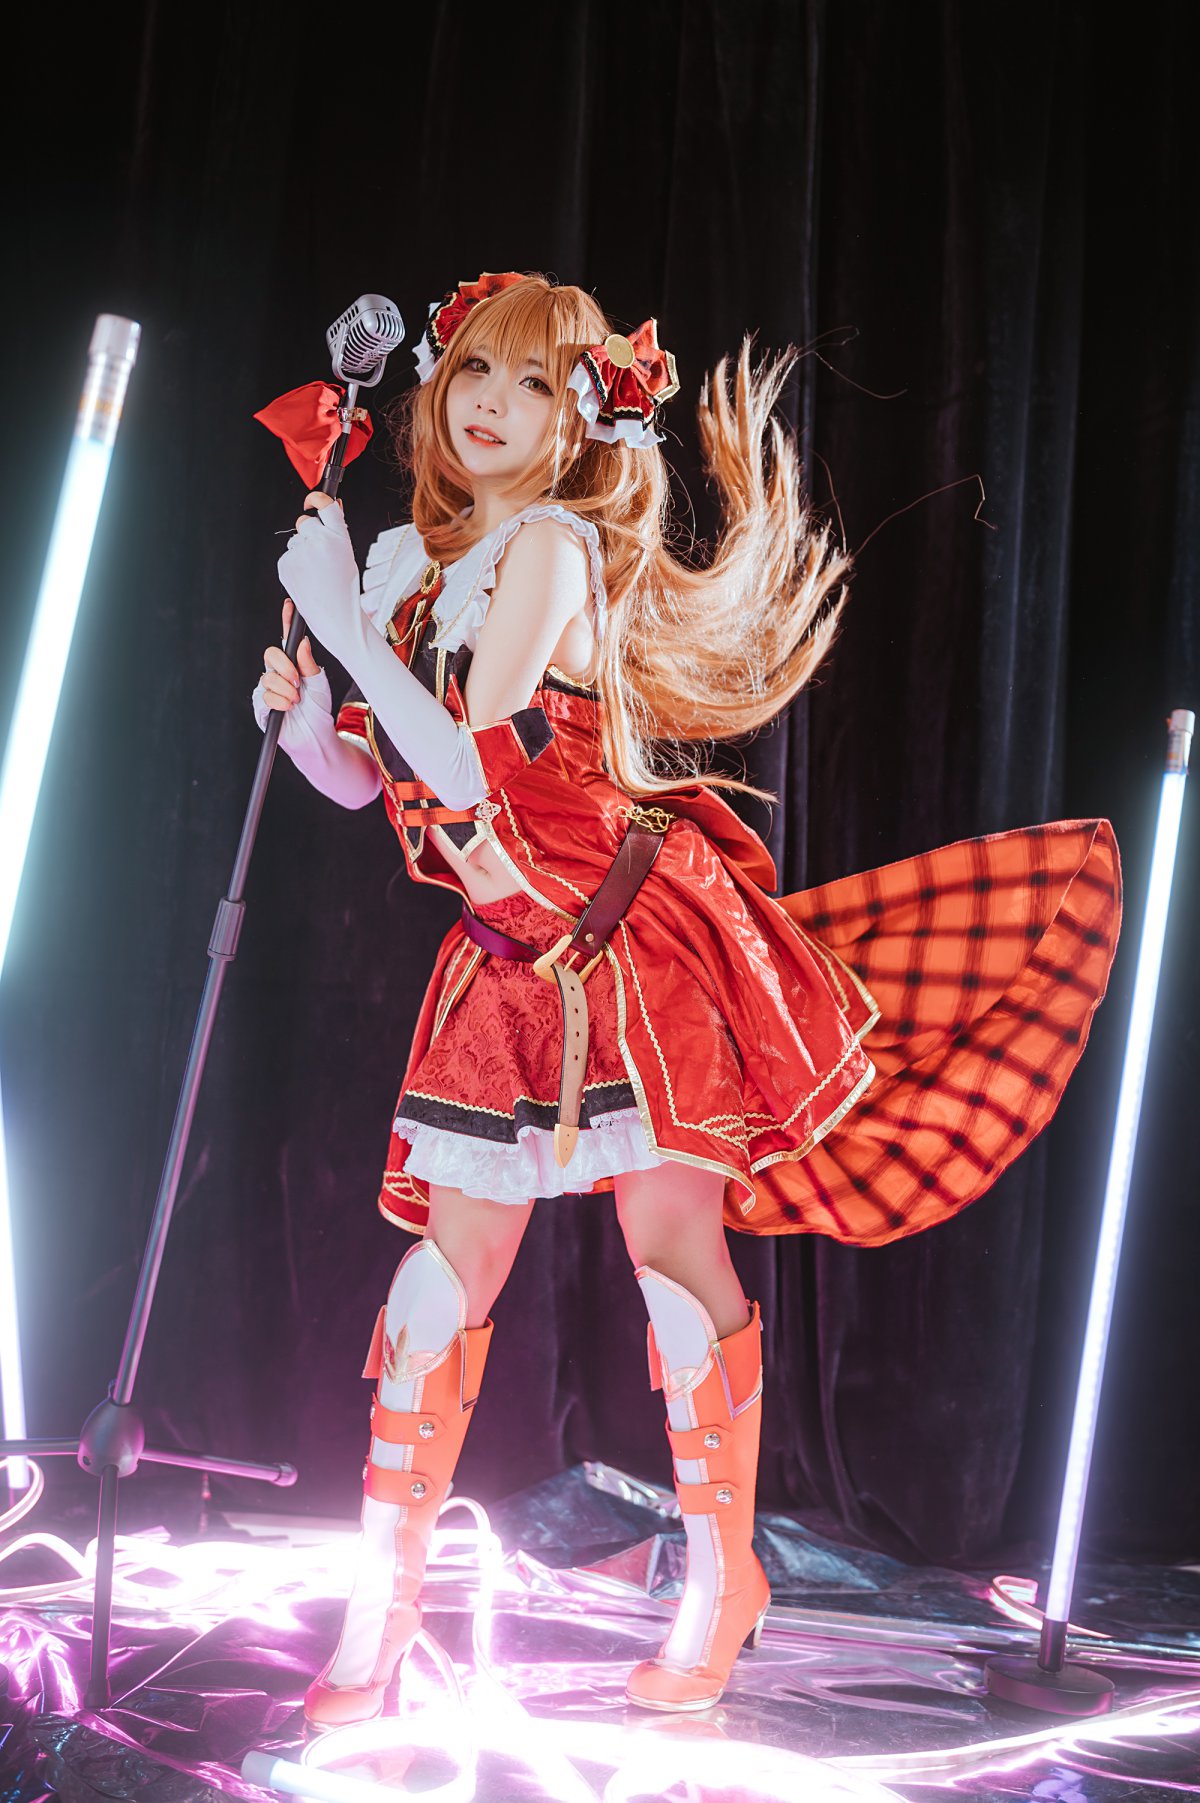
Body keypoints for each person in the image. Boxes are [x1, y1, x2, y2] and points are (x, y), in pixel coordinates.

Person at [253, 272, 1120, 1725]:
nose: (494, 405)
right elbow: (370, 782)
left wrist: (345, 635)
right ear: (438, 384)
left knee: (672, 1270)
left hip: (635, 947)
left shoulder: (545, 549)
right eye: (478, 373)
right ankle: (378, 1618)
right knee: (433, 1293)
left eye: (537, 384)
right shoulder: (405, 563)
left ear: (576, 419)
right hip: (504, 959)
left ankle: (724, 1585)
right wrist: (300, 722)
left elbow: (469, 761)